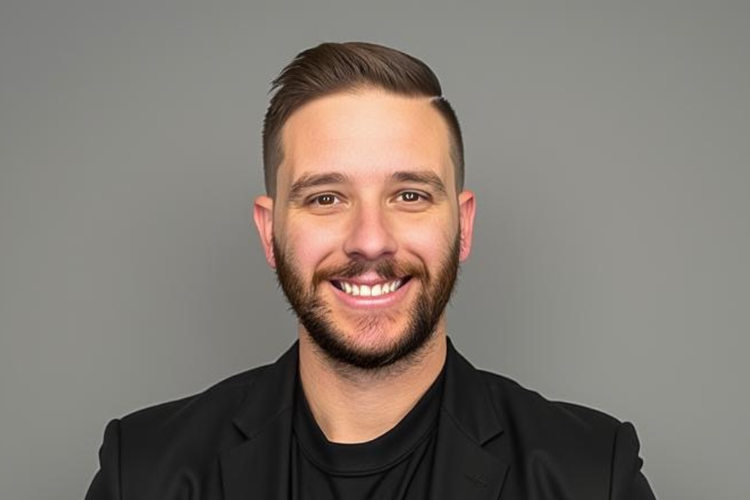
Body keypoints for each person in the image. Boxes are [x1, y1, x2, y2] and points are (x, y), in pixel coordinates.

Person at [85, 41, 656, 500]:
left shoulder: (590, 475)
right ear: (269, 232)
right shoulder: (143, 473)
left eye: (409, 195)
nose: (370, 240)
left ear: (463, 226)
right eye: (326, 198)